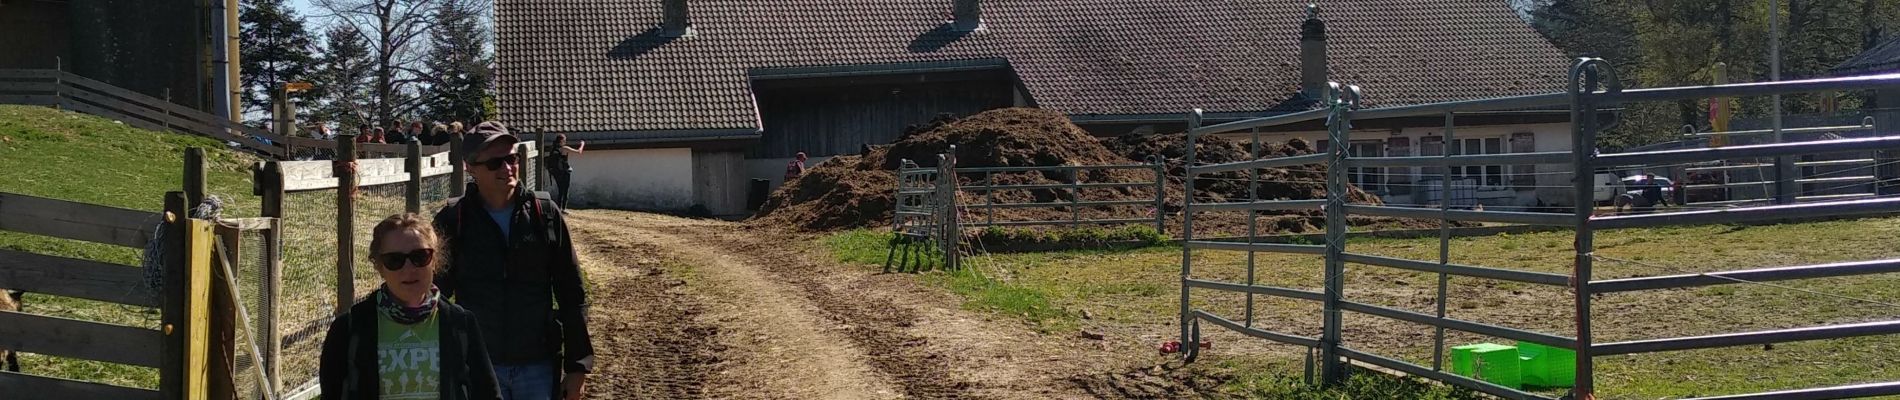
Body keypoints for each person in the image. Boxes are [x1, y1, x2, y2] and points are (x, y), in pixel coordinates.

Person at [434, 121, 593, 400]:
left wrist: (578, 367)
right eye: (495, 163)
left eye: (511, 159)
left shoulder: (545, 214)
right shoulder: (452, 220)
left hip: (538, 366)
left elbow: (572, 293)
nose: (507, 168)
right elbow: (432, 297)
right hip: (479, 368)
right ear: (470, 167)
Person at [320, 213, 501, 400]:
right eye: (394, 260)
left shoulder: (460, 323)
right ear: (379, 267)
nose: (408, 269)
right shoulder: (350, 328)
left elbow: (488, 393)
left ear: (434, 260)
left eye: (420, 256)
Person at [545, 134, 584, 209]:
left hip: (556, 173)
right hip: (564, 172)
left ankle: (559, 208)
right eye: (565, 140)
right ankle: (563, 208)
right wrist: (582, 144)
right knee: (565, 190)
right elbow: (579, 151)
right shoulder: (564, 148)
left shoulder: (553, 148)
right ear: (562, 141)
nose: (565, 141)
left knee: (560, 190)